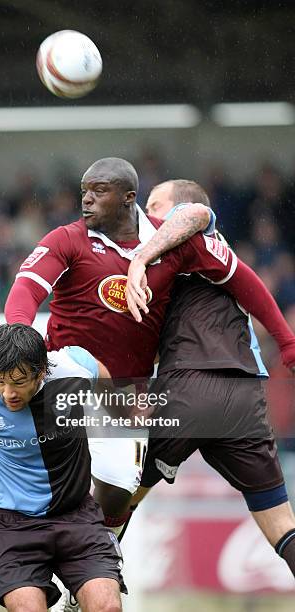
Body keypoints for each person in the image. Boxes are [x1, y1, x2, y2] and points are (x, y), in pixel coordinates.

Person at [5, 157, 215, 534]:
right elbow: (25, 290)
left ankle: (100, 551)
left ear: (127, 198)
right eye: (84, 191)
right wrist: (20, 335)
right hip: (66, 381)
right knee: (59, 485)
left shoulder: (168, 247)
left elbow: (213, 238)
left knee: (118, 489)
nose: (86, 200)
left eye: (98, 192)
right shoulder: (67, 239)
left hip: (125, 394)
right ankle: (22, 541)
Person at [124, 179, 295, 577]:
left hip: (188, 387)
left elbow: (194, 214)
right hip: (243, 398)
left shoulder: (194, 238)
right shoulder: (193, 259)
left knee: (119, 498)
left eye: (154, 205)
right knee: (281, 524)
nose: (145, 214)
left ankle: (80, 588)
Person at [0, 323, 126, 612]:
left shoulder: (74, 368)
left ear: (41, 371)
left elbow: (103, 377)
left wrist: (123, 415)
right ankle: (0, 560)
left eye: (18, 382)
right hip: (14, 525)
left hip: (77, 516)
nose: (8, 393)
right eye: (1, 381)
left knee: (108, 607)